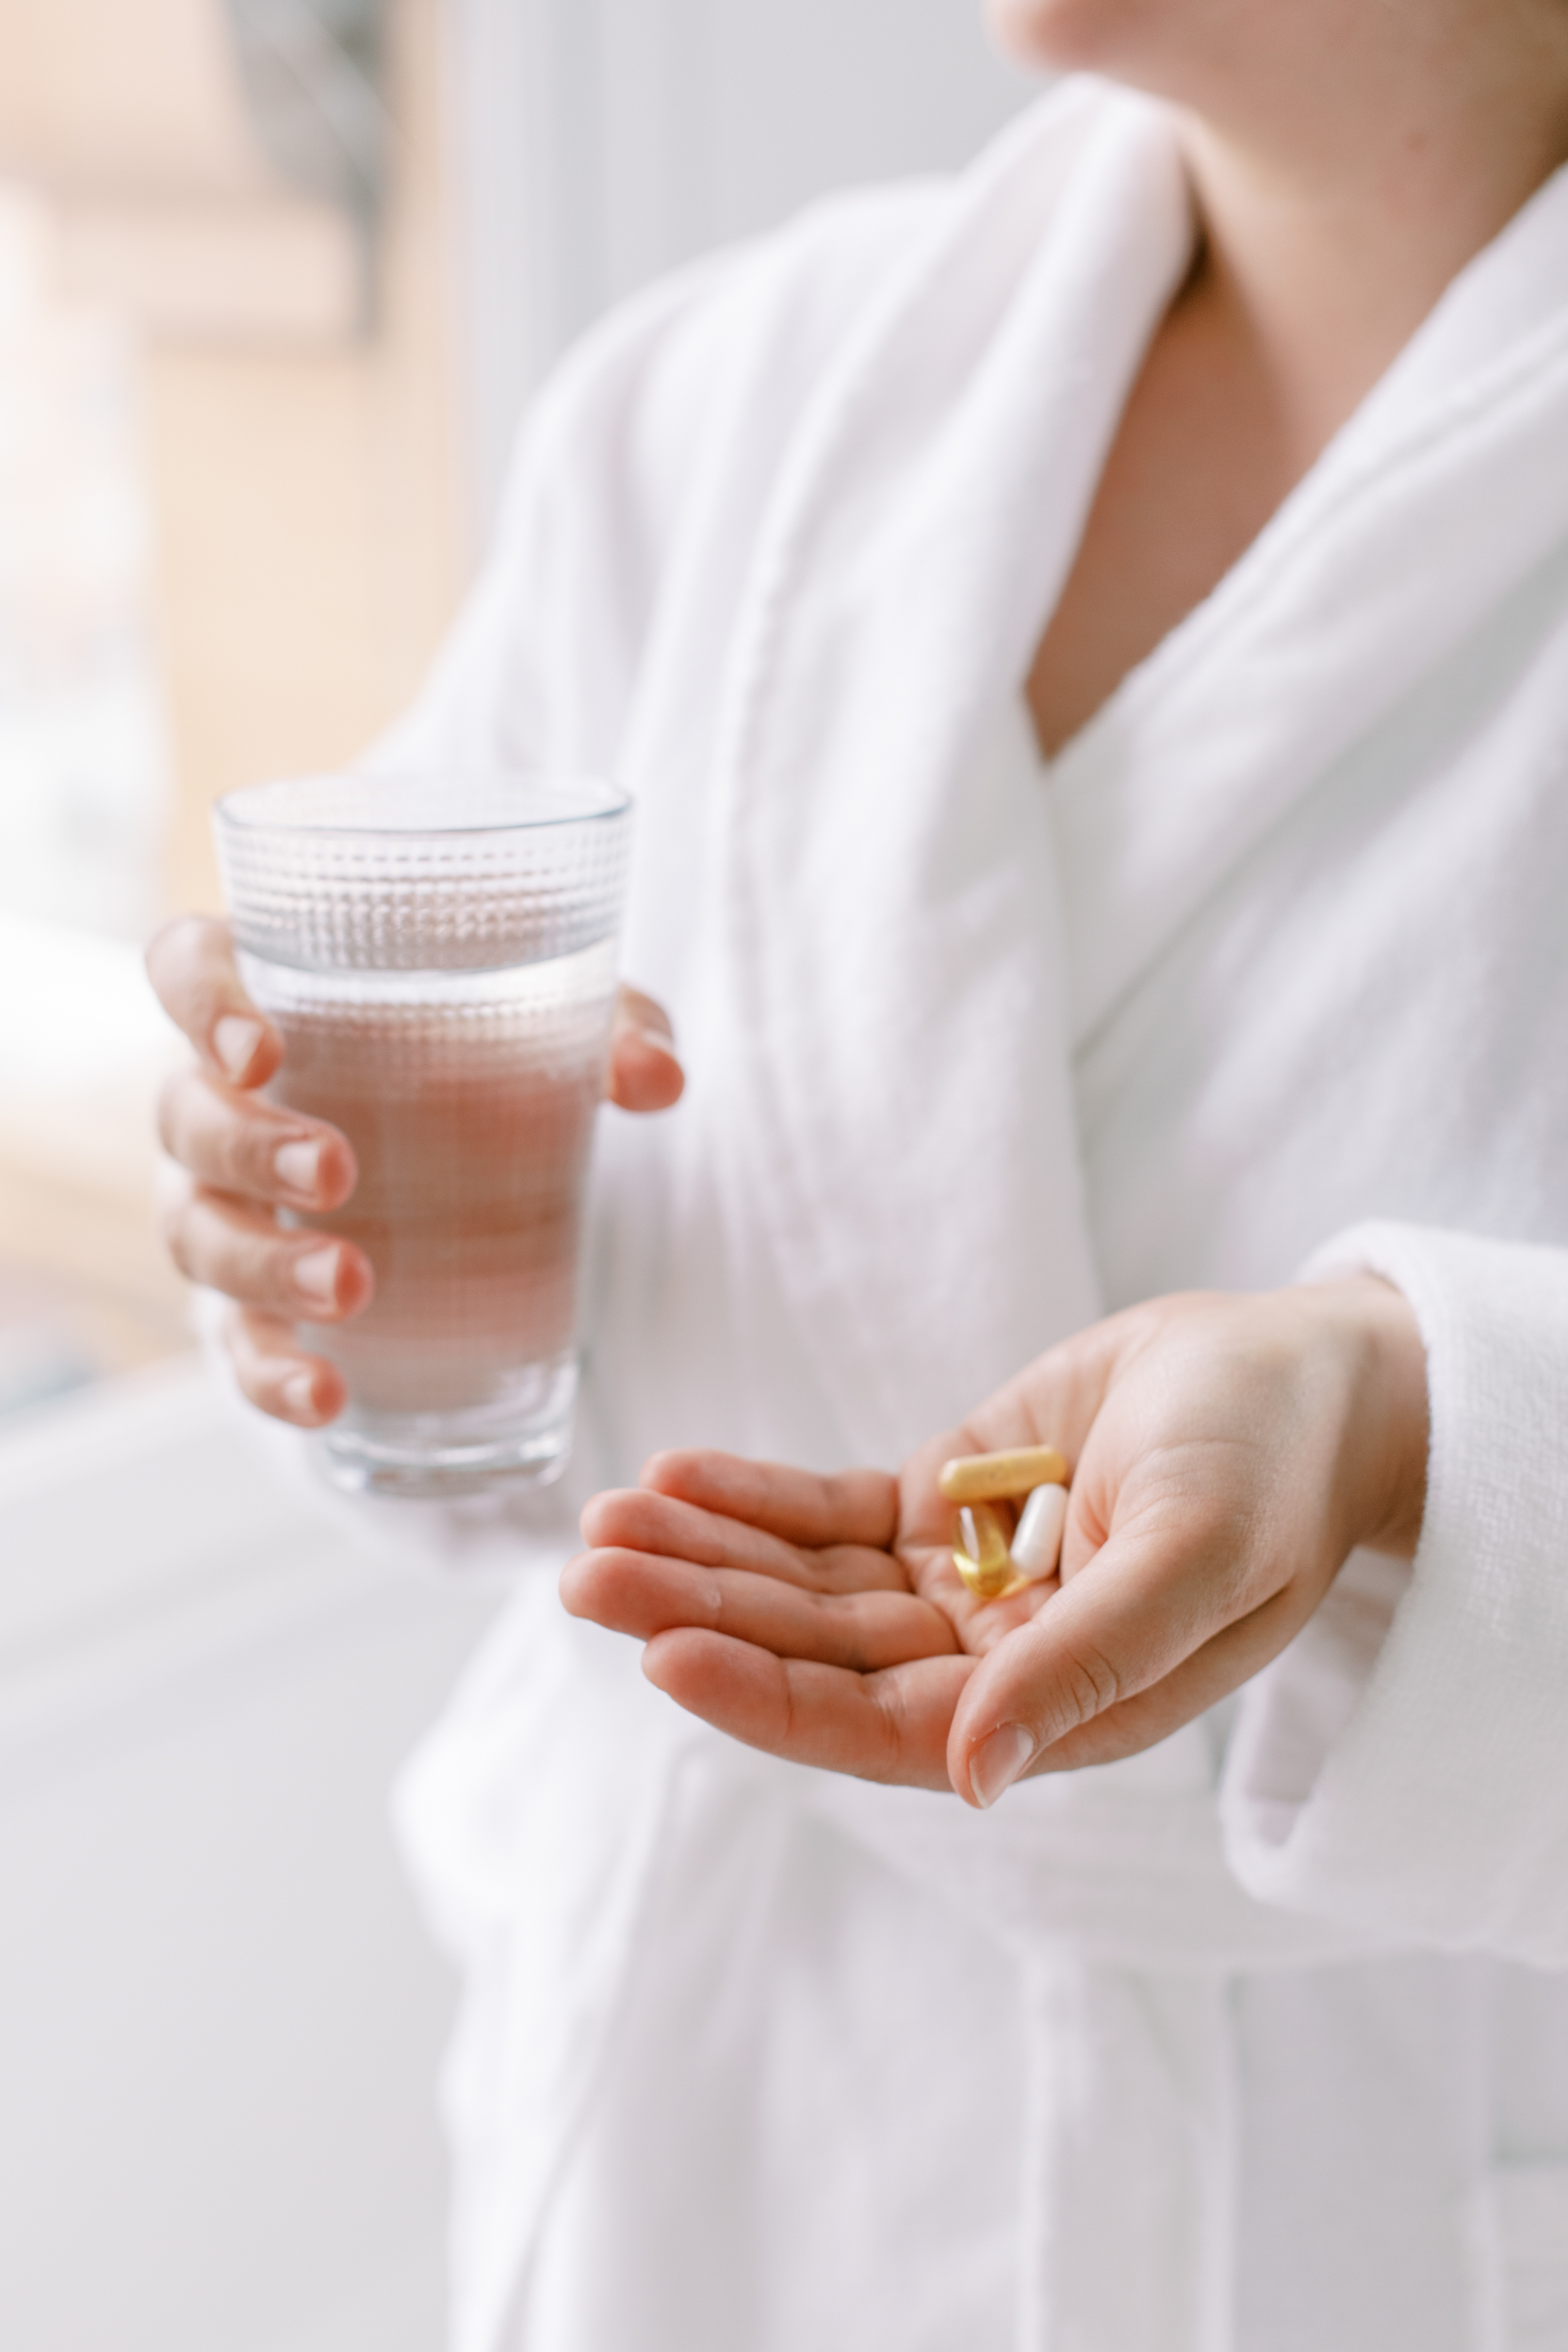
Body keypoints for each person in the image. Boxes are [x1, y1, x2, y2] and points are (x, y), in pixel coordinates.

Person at [148, 1, 1568, 2345]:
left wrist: (1419, 1421)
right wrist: (320, 1239)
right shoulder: (726, 406)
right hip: (715, 2167)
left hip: (1365, 2216)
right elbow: (473, 1414)